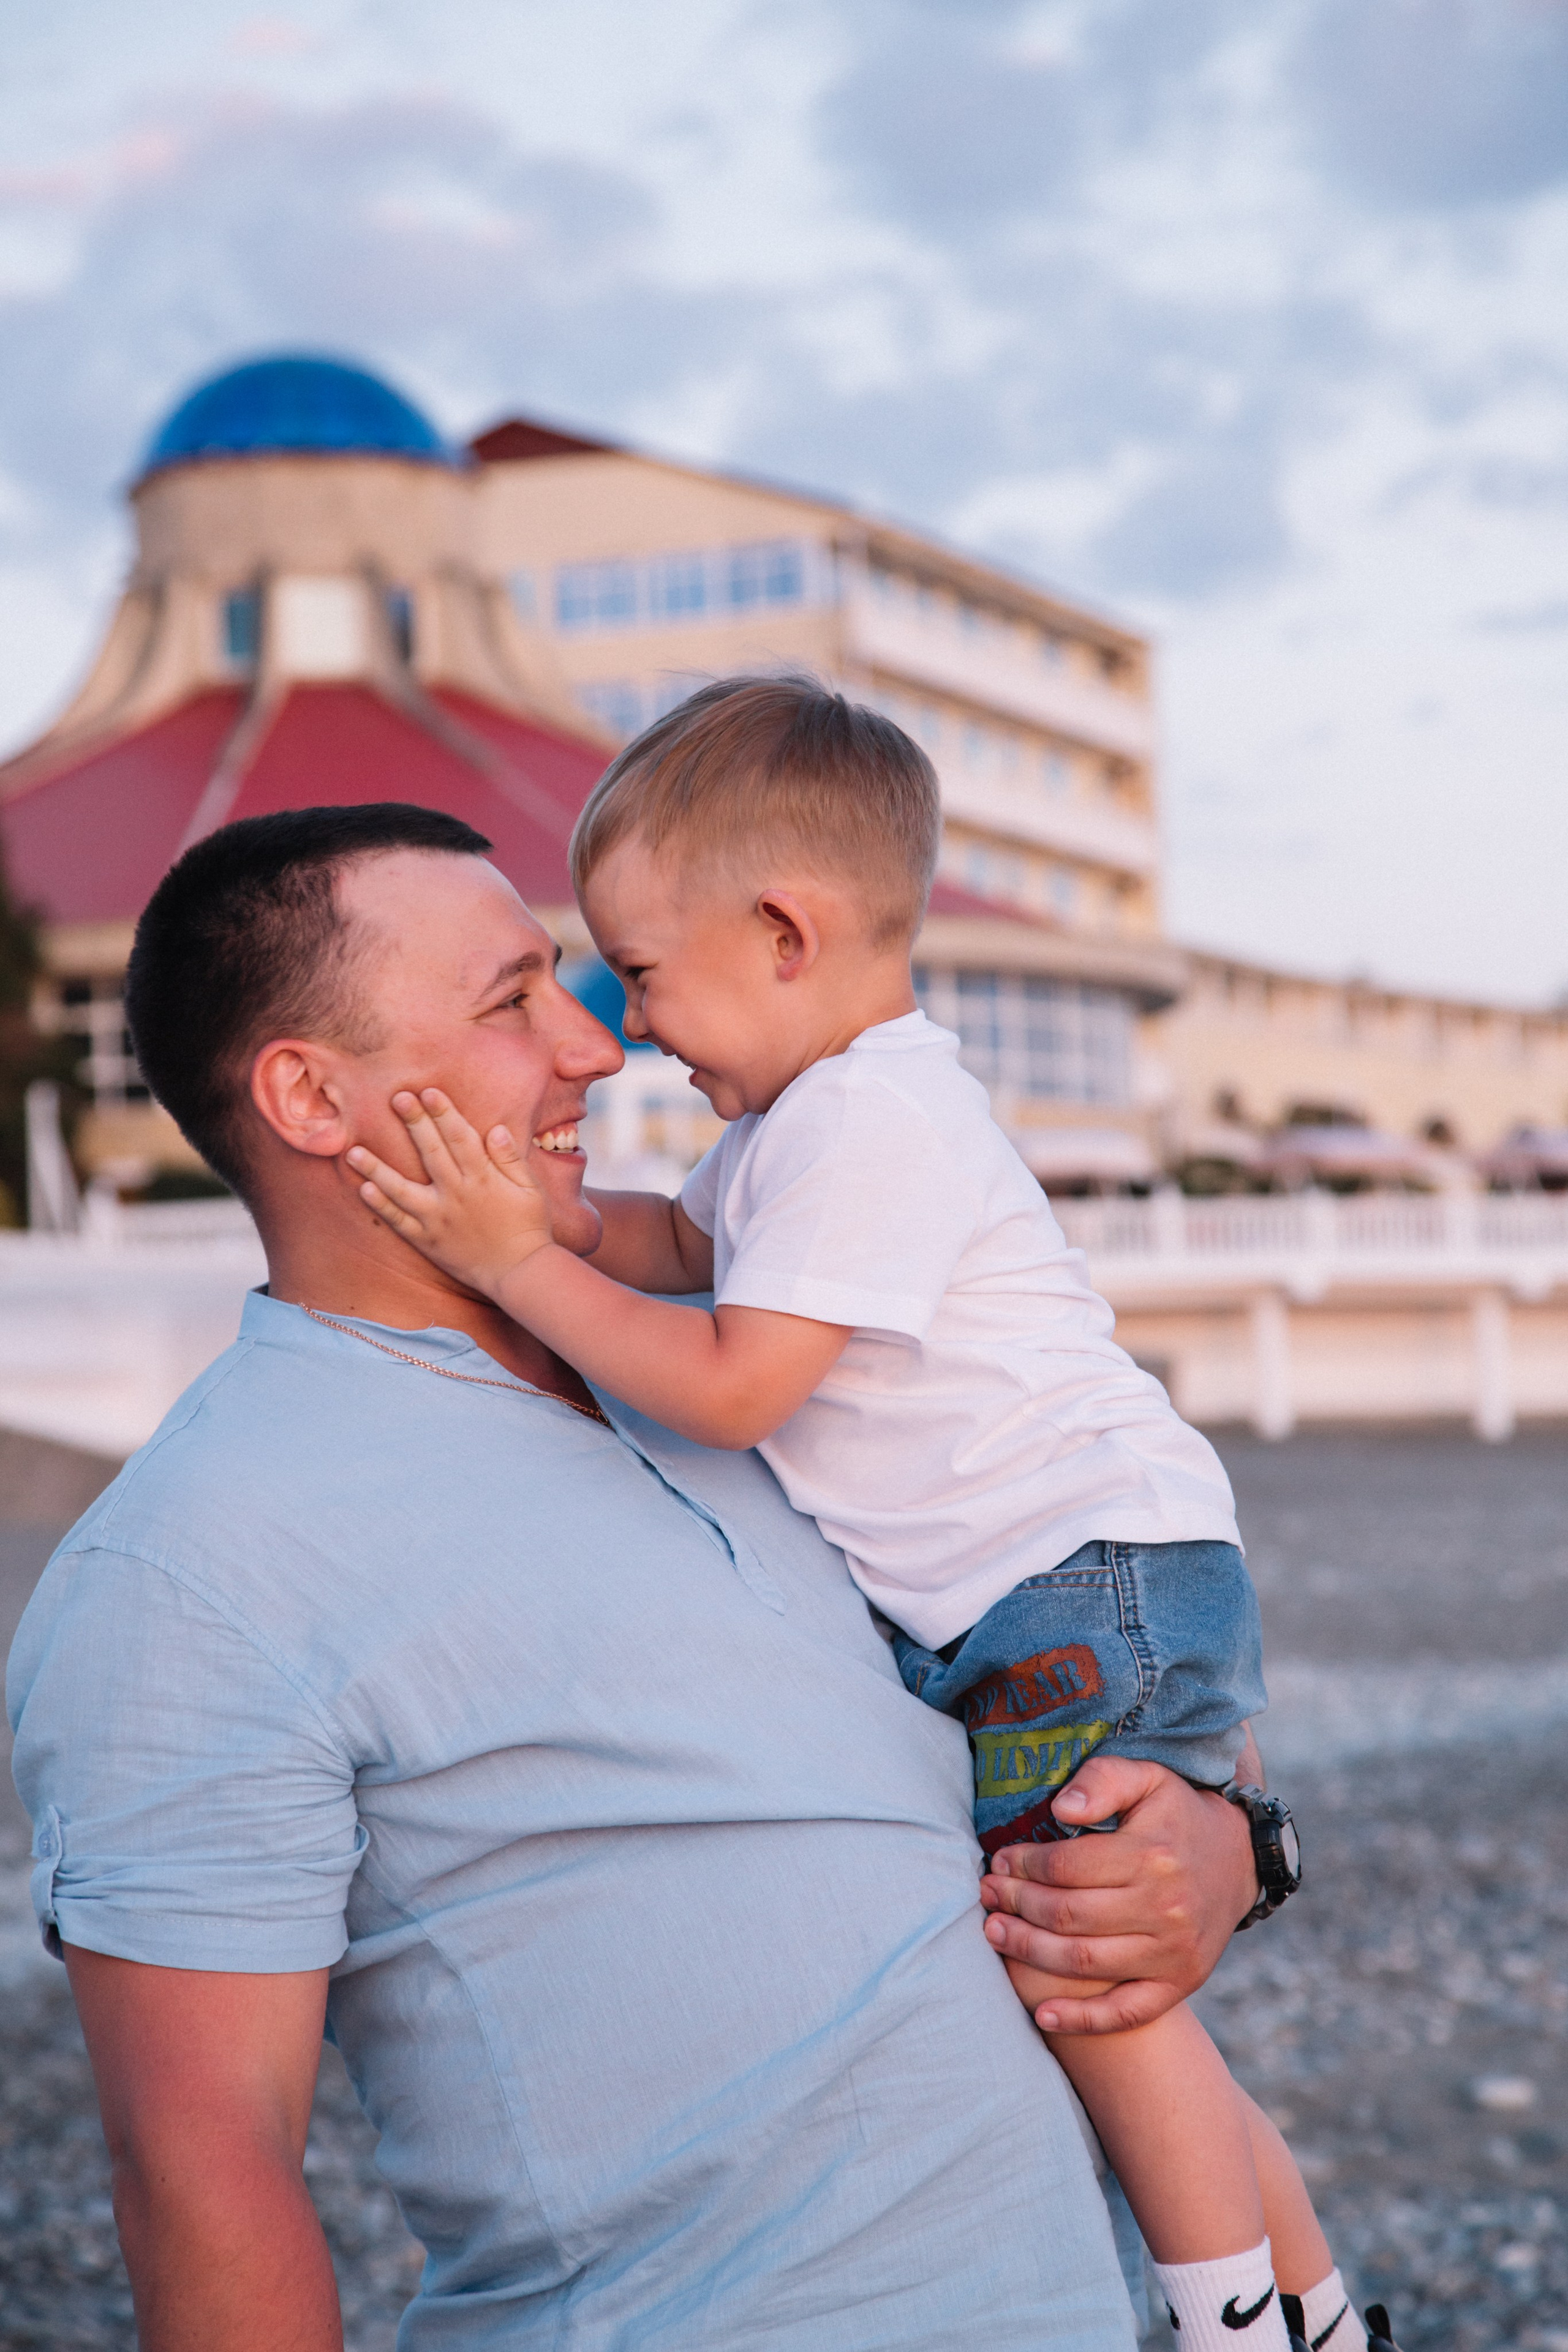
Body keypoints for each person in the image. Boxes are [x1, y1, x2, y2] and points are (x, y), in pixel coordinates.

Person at [7, 801, 1271, 2352]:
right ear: (309, 1096)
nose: (596, 1049)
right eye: (511, 1003)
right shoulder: (186, 1571)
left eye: (575, 985)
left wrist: (1224, 1845)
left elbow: (1074, 1638)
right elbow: (204, 2177)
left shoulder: (736, 1376)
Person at [345, 683, 1379, 2352]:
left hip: (1078, 1583)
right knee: (1115, 2007)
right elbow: (678, 1251)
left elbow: (739, 1382)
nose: (630, 1019)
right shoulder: (795, 1124)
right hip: (1079, 1582)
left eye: (646, 970)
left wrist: (509, 1264)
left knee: (1089, 1990)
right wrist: (533, 1204)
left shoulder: (869, 1119)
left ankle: (1234, 2332)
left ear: (782, 933)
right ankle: (1321, 2313)